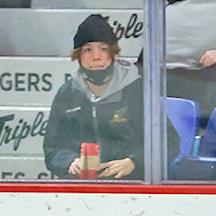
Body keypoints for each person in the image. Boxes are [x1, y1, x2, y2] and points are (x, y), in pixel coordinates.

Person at [43, 14, 144, 180]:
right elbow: (52, 148)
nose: (96, 56)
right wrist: (69, 162)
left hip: (130, 182)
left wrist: (133, 162)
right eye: (88, 50)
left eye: (103, 49)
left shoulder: (137, 89)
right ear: (78, 56)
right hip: (80, 184)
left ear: (114, 54)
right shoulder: (68, 93)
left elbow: (168, 142)